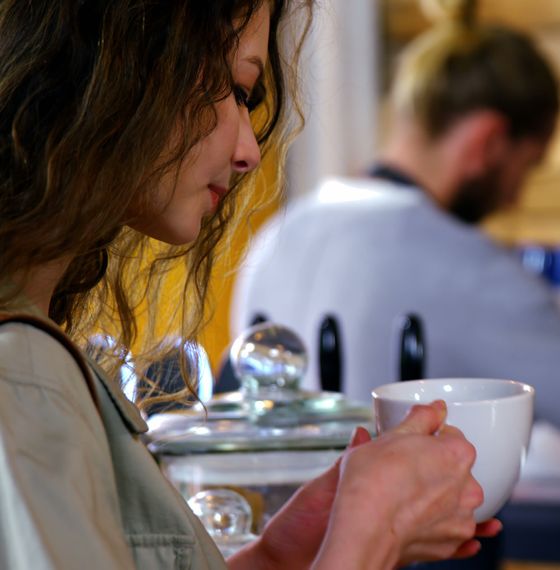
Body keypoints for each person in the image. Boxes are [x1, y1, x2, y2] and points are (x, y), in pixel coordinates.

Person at [0, 1, 497, 568]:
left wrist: (278, 556)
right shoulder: (23, 370)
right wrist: (370, 535)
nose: (249, 153)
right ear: (122, 65)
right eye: (238, 90)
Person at [232, 0, 560, 481]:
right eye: (528, 165)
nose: (515, 197)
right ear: (488, 141)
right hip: (417, 551)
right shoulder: (468, 268)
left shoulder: (276, 238)